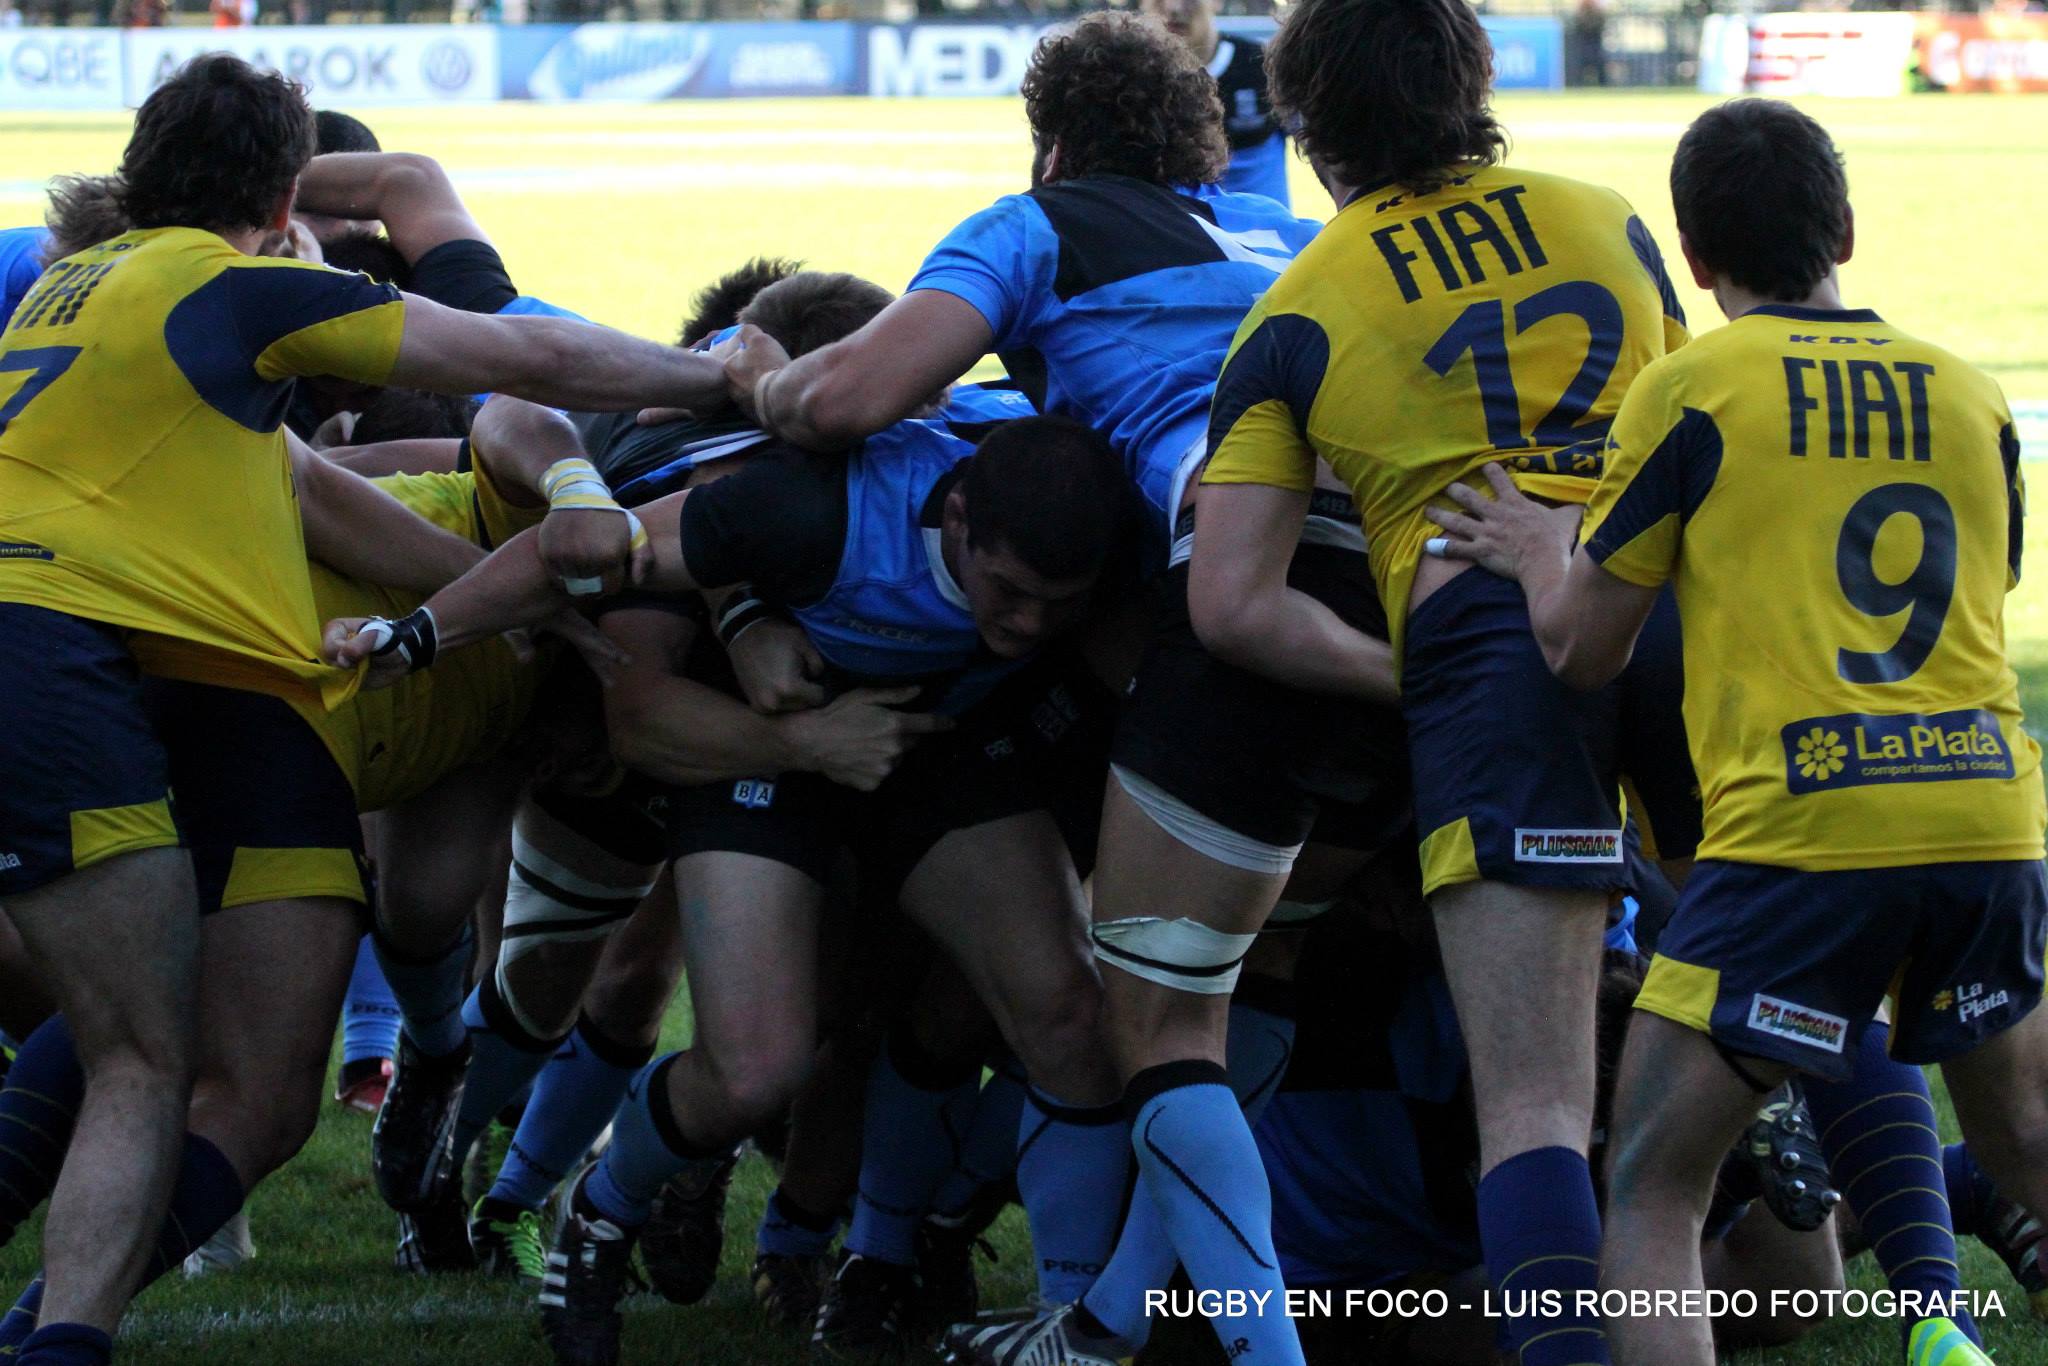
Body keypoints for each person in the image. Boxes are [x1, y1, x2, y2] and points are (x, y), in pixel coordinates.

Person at [0, 53, 725, 1364]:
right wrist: (722, 381)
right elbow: (517, 356)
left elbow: (319, 490)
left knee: (177, 1046)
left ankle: (53, 1329)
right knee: (149, 1059)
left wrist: (505, 604)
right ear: (281, 197)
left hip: (182, 693)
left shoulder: (69, 288)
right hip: (74, 664)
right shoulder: (227, 285)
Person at [1423, 98, 2048, 1366]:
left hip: (1800, 838)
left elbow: (1581, 647)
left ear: (1693, 261)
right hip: (1986, 818)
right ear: (1847, 232)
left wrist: (1547, 547)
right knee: (2030, 1147)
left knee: (1653, 1178)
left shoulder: (1690, 389)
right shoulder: (1974, 396)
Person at [1181, 2, 1696, 1363]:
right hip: (1679, 620)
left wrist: (1420, 669)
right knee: (1767, 992)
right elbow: (1712, 434)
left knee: (1530, 1103)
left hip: (1488, 652)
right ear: (1474, 80)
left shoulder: (1298, 303)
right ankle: (1903, 1245)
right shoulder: (1610, 221)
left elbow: (1230, 601)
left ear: (1303, 122)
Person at [1141, 0, 1291, 205]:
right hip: (1182, 230)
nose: (1173, 8)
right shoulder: (1133, 82)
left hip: (1261, 232)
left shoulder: (1261, 67)